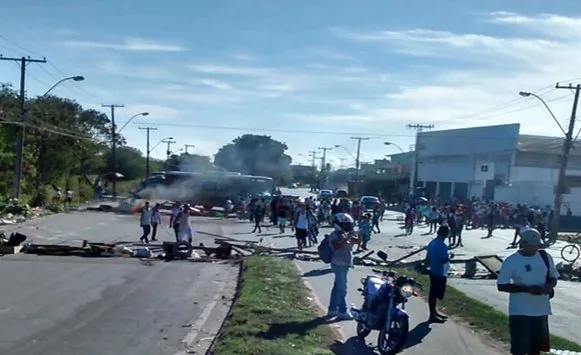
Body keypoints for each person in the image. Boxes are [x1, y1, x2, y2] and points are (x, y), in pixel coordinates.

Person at [497, 228, 559, 355]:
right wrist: (526, 289)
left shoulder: (545, 257)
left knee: (536, 349)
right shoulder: (512, 261)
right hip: (520, 311)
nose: (535, 248)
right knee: (519, 348)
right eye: (532, 246)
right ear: (522, 243)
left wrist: (549, 287)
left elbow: (553, 277)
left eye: (537, 246)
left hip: (541, 311)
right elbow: (502, 285)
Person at [328, 212, 359, 320]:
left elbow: (357, 242)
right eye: (345, 225)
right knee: (342, 289)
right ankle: (342, 311)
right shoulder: (335, 235)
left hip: (345, 263)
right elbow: (336, 247)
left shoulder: (346, 234)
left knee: (337, 287)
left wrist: (358, 235)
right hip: (338, 263)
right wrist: (346, 238)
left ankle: (332, 309)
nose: (347, 227)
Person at [426, 225, 451, 323]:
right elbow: (443, 260)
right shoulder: (442, 245)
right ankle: (432, 315)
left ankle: (434, 312)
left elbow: (427, 258)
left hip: (433, 270)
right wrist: (449, 257)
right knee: (434, 294)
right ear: (446, 234)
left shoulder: (432, 242)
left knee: (433, 294)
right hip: (439, 272)